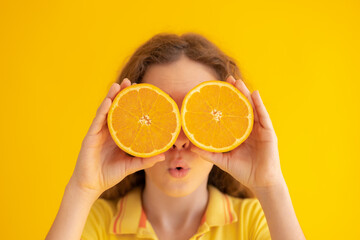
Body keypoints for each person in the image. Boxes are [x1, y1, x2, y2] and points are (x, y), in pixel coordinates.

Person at [45, 32, 306, 240]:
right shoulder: (97, 221)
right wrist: (82, 188)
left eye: (196, 117)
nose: (180, 139)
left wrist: (270, 187)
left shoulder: (253, 221)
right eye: (162, 114)